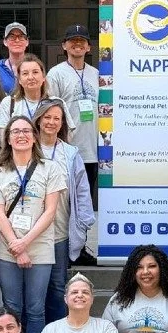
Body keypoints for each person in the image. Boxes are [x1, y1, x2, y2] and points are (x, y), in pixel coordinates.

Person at [0, 115, 65, 333]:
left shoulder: (50, 168)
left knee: (36, 308)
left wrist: (25, 243)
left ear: (34, 137)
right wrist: (16, 246)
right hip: (8, 248)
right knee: (12, 307)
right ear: (8, 138)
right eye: (16, 131)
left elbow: (50, 212)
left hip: (40, 247)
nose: (21, 135)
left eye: (26, 131)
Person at [35, 99, 97, 321]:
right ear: (39, 120)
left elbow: (82, 191)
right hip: (30, 233)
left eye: (56, 118)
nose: (51, 122)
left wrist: (83, 224)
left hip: (59, 231)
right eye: (47, 117)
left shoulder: (70, 153)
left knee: (57, 286)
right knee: (34, 291)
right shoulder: (28, 147)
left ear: (62, 123)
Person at [47, 24, 101, 195]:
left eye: (82, 40)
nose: (77, 44)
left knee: (85, 202)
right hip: (66, 150)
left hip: (92, 151)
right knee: (65, 203)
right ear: (64, 45)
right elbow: (50, 112)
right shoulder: (55, 74)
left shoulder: (97, 75)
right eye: (73, 40)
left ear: (88, 47)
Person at [0, 54, 66, 136]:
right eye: (25, 73)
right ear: (19, 80)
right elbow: (3, 138)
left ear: (43, 77)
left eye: (35, 72)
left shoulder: (57, 103)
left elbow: (66, 135)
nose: (30, 77)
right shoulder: (8, 103)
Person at [0, 21, 31, 94]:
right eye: (12, 37)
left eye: (21, 37)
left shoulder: (34, 67)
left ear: (27, 42)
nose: (17, 40)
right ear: (5, 41)